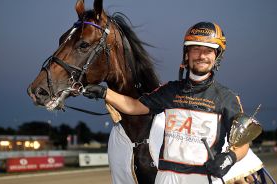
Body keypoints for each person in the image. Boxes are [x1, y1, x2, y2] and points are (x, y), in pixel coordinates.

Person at [83, 22, 249, 184]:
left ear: (216, 56)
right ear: (186, 54)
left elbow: (243, 144)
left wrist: (229, 158)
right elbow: (134, 107)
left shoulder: (228, 98)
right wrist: (105, 92)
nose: (201, 56)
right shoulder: (170, 91)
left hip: (202, 177)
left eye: (208, 51)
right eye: (196, 49)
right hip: (166, 177)